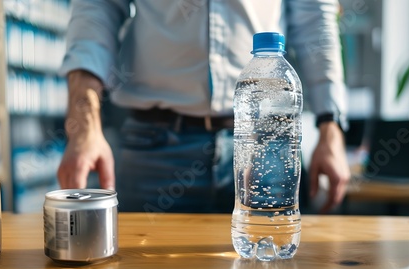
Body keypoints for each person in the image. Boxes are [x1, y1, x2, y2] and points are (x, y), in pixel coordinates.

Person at [57, 0, 351, 214]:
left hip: (266, 148)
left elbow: (315, 19)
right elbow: (96, 8)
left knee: (270, 267)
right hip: (155, 152)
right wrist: (83, 126)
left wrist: (331, 126)